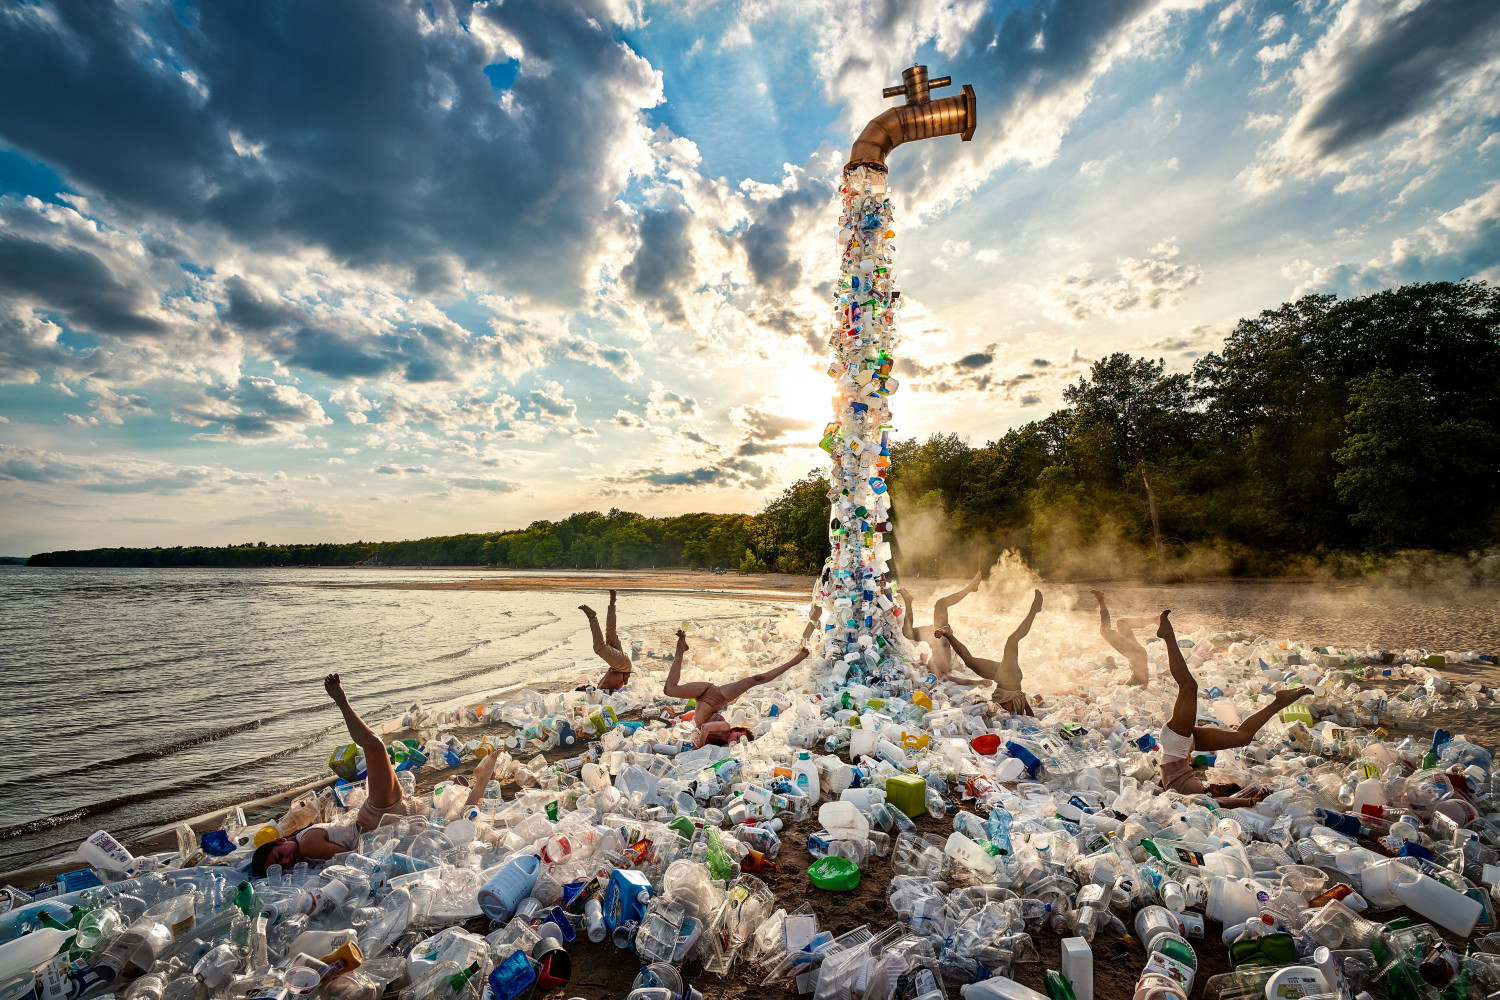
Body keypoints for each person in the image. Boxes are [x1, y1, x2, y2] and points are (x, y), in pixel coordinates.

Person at [253, 673, 482, 876]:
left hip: (371, 820)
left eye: (279, 856)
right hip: (372, 821)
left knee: (450, 817)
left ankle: (481, 782)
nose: (286, 861)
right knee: (374, 747)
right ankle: (341, 701)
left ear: (280, 841)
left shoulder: (305, 843)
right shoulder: (305, 847)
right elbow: (350, 855)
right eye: (280, 867)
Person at [1155, 609, 1309, 802]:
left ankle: (1168, 635)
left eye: (1219, 789)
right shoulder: (1199, 792)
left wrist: (1248, 802)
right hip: (1184, 745)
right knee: (1243, 738)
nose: (1217, 785)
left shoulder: (1201, 800)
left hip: (1175, 744)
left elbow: (1221, 803)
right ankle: (1279, 702)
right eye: (1222, 786)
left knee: (1189, 686)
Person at [665, 607, 822, 748]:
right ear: (737, 729)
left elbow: (701, 725)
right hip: (716, 695)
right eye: (739, 737)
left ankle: (681, 648)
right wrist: (699, 747)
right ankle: (796, 659)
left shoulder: (718, 740)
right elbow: (705, 728)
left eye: (740, 742)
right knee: (755, 679)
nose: (737, 741)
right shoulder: (726, 727)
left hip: (701, 697)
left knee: (669, 690)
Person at [932, 588, 1043, 716]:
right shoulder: (1017, 702)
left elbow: (1027, 713)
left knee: (970, 662)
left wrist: (979, 702)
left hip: (1001, 677)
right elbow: (1031, 716)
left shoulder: (1003, 707)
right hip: (1009, 676)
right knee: (1012, 641)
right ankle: (1034, 611)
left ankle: (949, 635)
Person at [899, 572, 986, 686]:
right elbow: (952, 678)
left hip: (936, 639)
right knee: (941, 604)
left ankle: (908, 601)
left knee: (907, 632)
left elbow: (947, 677)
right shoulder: (941, 673)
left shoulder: (936, 671)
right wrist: (978, 682)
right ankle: (970, 588)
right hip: (940, 638)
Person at [1090, 589, 1152, 686]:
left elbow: (1129, 685)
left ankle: (1101, 599)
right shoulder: (1139, 680)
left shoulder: (1138, 680)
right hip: (1135, 653)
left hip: (1136, 653)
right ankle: (1155, 620)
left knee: (1118, 625)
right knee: (1112, 627)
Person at [579, 590, 632, 691]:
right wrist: (626, 681)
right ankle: (592, 617)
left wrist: (583, 689)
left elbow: (590, 689)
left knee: (610, 632)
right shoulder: (609, 694)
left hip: (618, 665)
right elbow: (625, 685)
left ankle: (612, 601)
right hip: (622, 667)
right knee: (599, 648)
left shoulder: (599, 690)